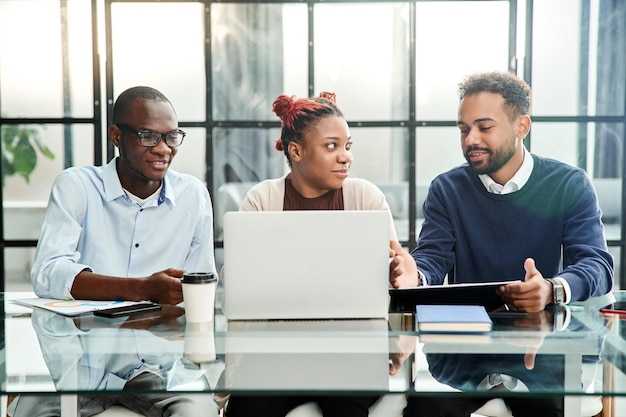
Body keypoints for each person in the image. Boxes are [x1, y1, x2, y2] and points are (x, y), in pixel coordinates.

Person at [404, 71, 614, 416]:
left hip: (545, 352)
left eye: (484, 128)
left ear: (522, 126)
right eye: (463, 129)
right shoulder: (447, 189)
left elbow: (597, 265)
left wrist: (551, 289)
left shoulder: (568, 184)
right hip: (462, 355)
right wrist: (414, 276)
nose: (470, 139)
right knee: (426, 409)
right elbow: (431, 259)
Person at [23, 86, 220, 417]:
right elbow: (48, 272)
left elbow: (201, 289)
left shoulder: (194, 196)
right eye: (147, 137)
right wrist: (142, 289)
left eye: (171, 137)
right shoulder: (78, 186)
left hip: (163, 371)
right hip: (83, 367)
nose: (163, 149)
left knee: (199, 413)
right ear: (117, 135)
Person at [224, 91, 415, 417]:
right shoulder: (262, 199)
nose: (345, 157)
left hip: (353, 348)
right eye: (331, 146)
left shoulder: (365, 196)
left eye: (347, 146)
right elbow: (239, 283)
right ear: (296, 151)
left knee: (347, 406)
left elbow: (402, 271)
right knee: (246, 409)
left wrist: (404, 272)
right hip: (274, 348)